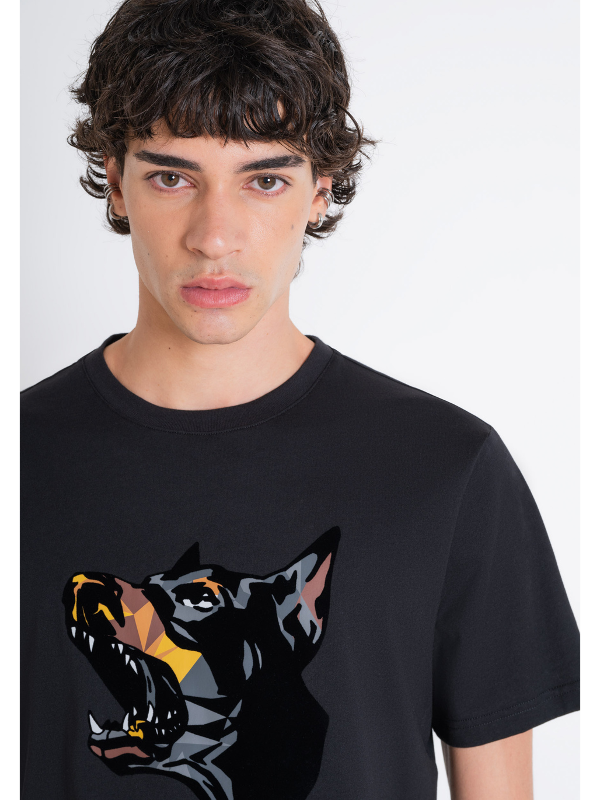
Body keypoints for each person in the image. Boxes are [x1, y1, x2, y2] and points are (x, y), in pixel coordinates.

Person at [19, 1, 581, 799]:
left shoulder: (447, 469)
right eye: (173, 176)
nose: (215, 236)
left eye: (265, 179)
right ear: (115, 182)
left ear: (320, 189)